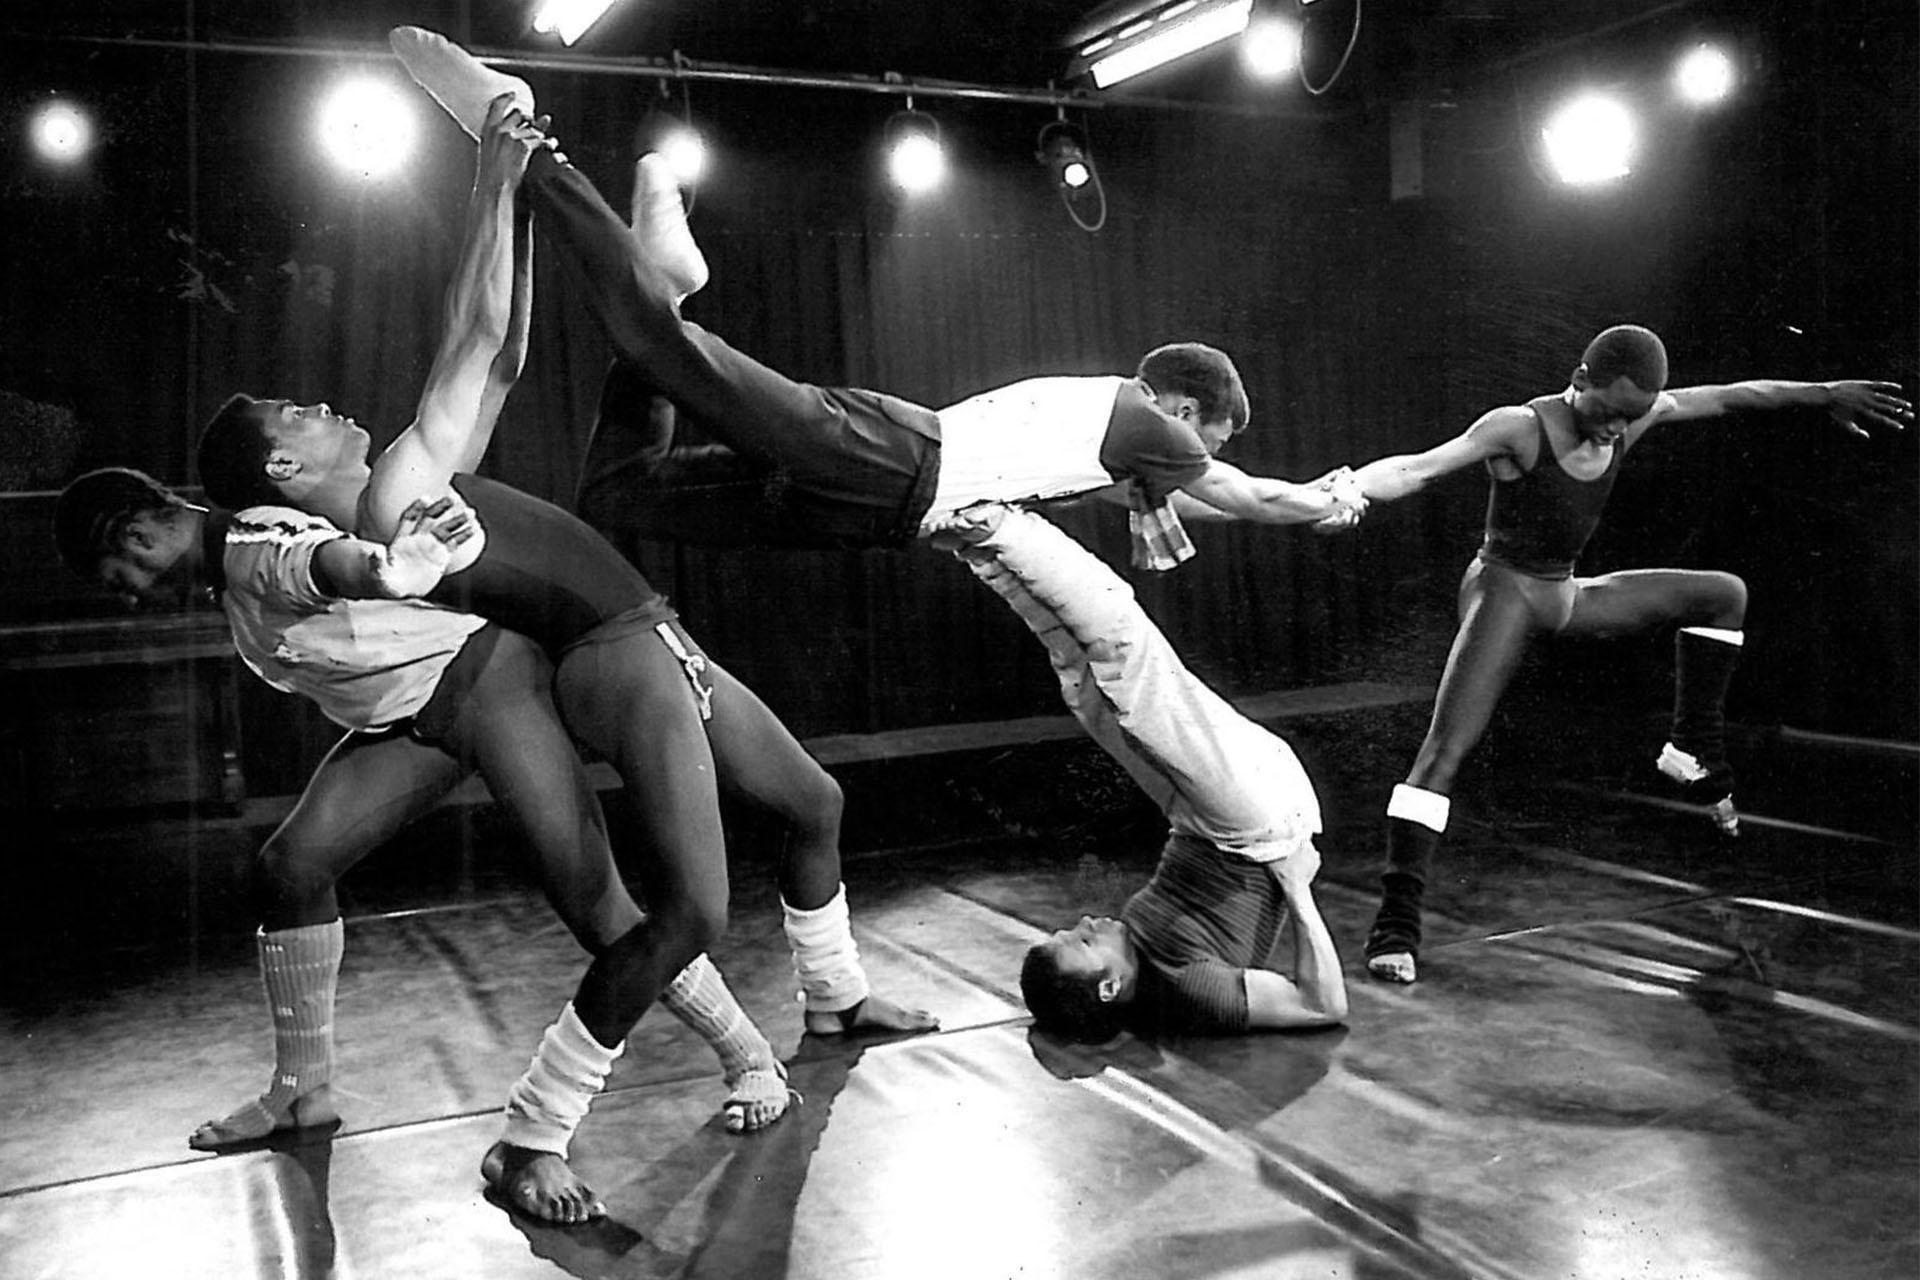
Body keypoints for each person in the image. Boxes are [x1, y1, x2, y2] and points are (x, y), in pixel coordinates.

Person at [189, 94, 934, 1218]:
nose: (324, 402)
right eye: (300, 411)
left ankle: (832, 999)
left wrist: (522, 205)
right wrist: (499, 184)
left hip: (656, 632)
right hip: (610, 655)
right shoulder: (392, 496)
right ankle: (531, 1135)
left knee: (812, 799)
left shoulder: (407, 464)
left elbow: (502, 352)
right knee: (683, 912)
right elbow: (473, 338)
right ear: (283, 468)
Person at [53, 468, 798, 1217]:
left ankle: (748, 1058)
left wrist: (387, 566)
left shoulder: (258, 545)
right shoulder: (230, 571)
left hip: (483, 683)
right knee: (291, 869)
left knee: (599, 909)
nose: (130, 593)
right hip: (409, 717)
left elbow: (330, 560)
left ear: (138, 535)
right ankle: (301, 1093)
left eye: (120, 575)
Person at [382, 26, 1366, 577]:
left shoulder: (1109, 439)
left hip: (871, 503)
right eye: (1210, 439)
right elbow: (1238, 495)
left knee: (617, 493)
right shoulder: (1153, 426)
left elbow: (1157, 502)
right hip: (883, 460)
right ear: (1185, 410)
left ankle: (670, 285)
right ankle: (517, 129)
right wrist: (1321, 499)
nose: (1203, 459)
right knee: (658, 342)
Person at [1334, 323, 1912, 984]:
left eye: (1629, 420)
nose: (1614, 431)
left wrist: (1825, 393)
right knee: (1444, 752)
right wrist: (1346, 491)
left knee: (1725, 593)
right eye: (1607, 414)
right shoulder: (1519, 428)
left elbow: (1732, 396)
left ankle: (1691, 745)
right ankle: (1395, 926)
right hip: (1504, 591)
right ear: (1579, 381)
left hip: (1565, 594)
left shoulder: (1633, 417)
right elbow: (1417, 467)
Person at [930, 503, 1348, 1041]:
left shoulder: (1140, 958)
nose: (1084, 922)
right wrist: (1297, 891)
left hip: (1199, 821)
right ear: (1110, 987)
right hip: (1260, 828)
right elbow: (1323, 1006)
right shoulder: (1192, 994)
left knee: (1088, 692)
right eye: (1081, 942)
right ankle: (1004, 528)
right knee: (1134, 672)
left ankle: (981, 550)